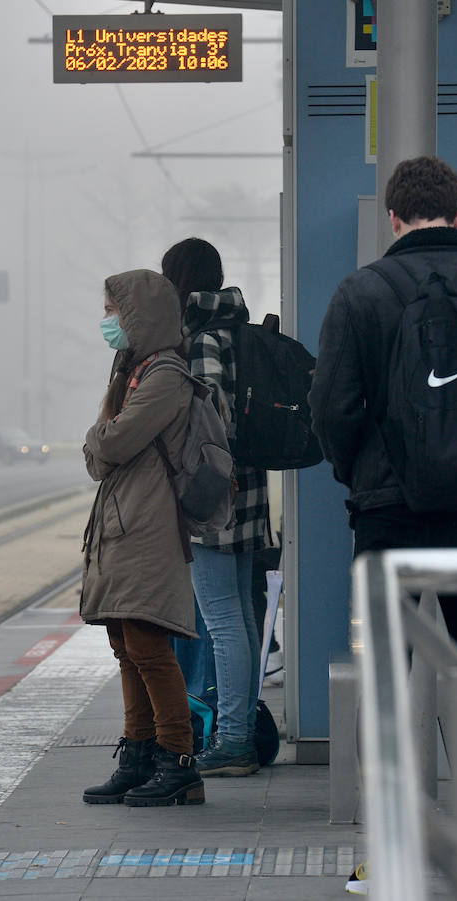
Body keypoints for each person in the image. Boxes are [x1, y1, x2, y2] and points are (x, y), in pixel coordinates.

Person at [309, 156, 457, 896]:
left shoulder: (360, 293)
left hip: (387, 521)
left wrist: (364, 474)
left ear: (393, 216)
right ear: (456, 211)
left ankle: (385, 854)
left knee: (387, 684)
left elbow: (332, 409)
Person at [80, 269, 205, 808]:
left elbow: (113, 441)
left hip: (150, 524)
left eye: (113, 311)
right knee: (127, 644)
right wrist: (101, 441)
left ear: (138, 318)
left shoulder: (166, 376)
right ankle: (138, 751)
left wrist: (97, 436)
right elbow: (104, 449)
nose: (107, 321)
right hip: (125, 519)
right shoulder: (134, 371)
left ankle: (177, 760)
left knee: (150, 646)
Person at [161, 237, 270, 777]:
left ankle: (232, 740)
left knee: (224, 619)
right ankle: (240, 730)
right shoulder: (237, 326)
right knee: (243, 618)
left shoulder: (201, 339)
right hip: (248, 490)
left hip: (214, 497)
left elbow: (209, 428)